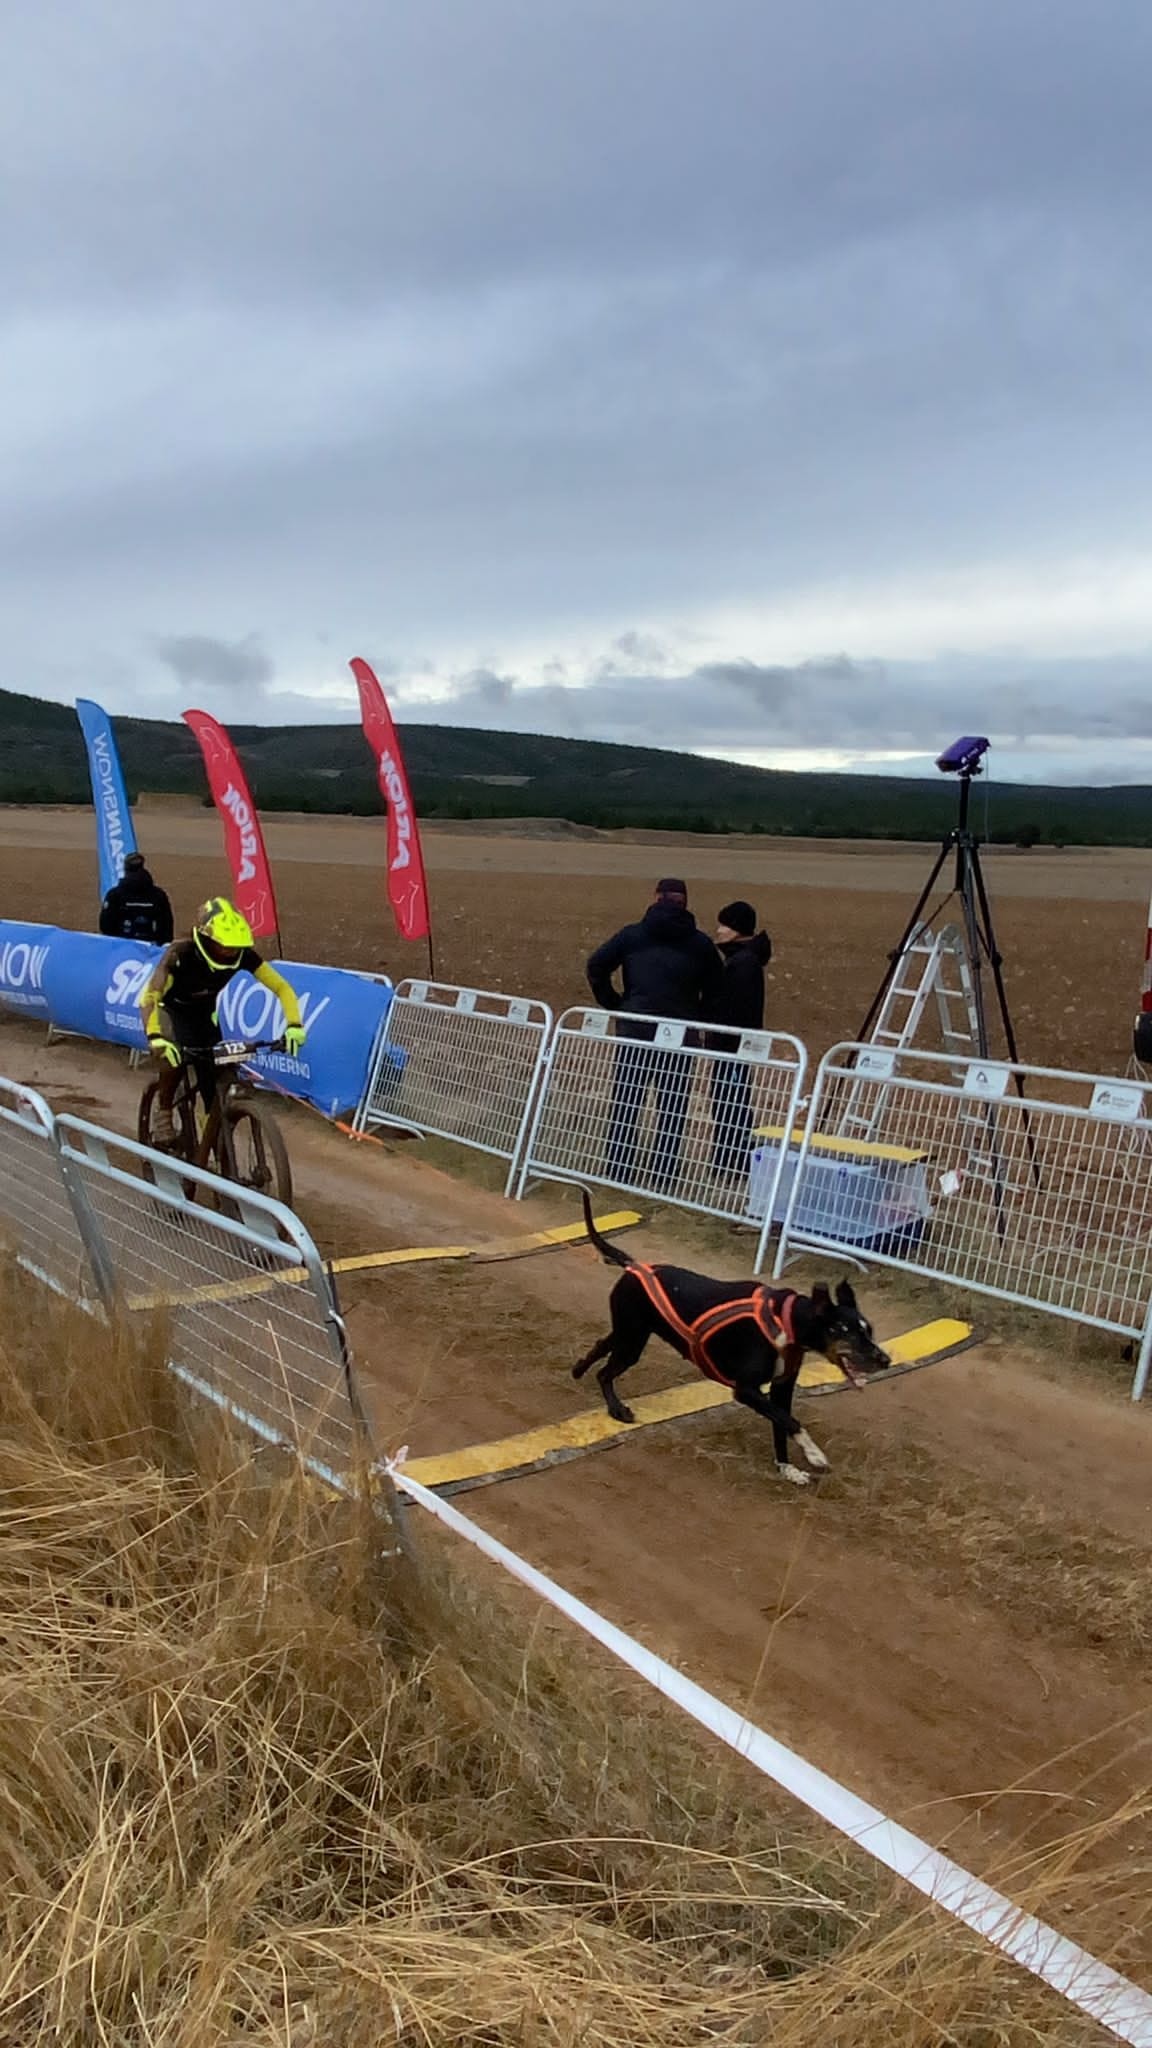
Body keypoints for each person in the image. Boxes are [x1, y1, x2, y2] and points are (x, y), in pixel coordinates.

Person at [585, 879, 723, 1191]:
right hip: (679, 1033)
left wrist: (617, 1004)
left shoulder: (632, 935)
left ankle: (619, 1170)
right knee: (672, 1106)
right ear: (684, 902)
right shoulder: (700, 944)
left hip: (636, 1027)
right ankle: (663, 1176)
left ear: (656, 898)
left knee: (626, 1100)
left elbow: (595, 965)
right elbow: (718, 990)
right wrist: (696, 1016)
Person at [139, 897, 306, 1144]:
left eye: (236, 947)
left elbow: (282, 987)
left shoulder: (243, 955)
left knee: (213, 1076)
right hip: (169, 1009)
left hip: (204, 1013)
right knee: (174, 1055)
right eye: (225, 946)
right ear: (207, 939)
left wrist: (294, 1025)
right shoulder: (180, 955)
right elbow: (150, 997)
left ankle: (212, 1137)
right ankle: (163, 1111)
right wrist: (155, 1037)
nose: (231, 952)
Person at [707, 900, 773, 1177]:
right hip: (731, 1045)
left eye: (723, 925)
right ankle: (726, 1161)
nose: (718, 931)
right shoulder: (741, 960)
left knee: (731, 1103)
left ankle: (734, 1164)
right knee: (725, 1101)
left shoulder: (743, 964)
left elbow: (735, 1009)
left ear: (736, 929)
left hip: (733, 1047)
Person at [98, 851, 174, 946]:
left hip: (121, 947)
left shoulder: (114, 895)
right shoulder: (158, 895)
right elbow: (167, 926)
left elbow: (106, 925)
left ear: (125, 869)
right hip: (150, 948)